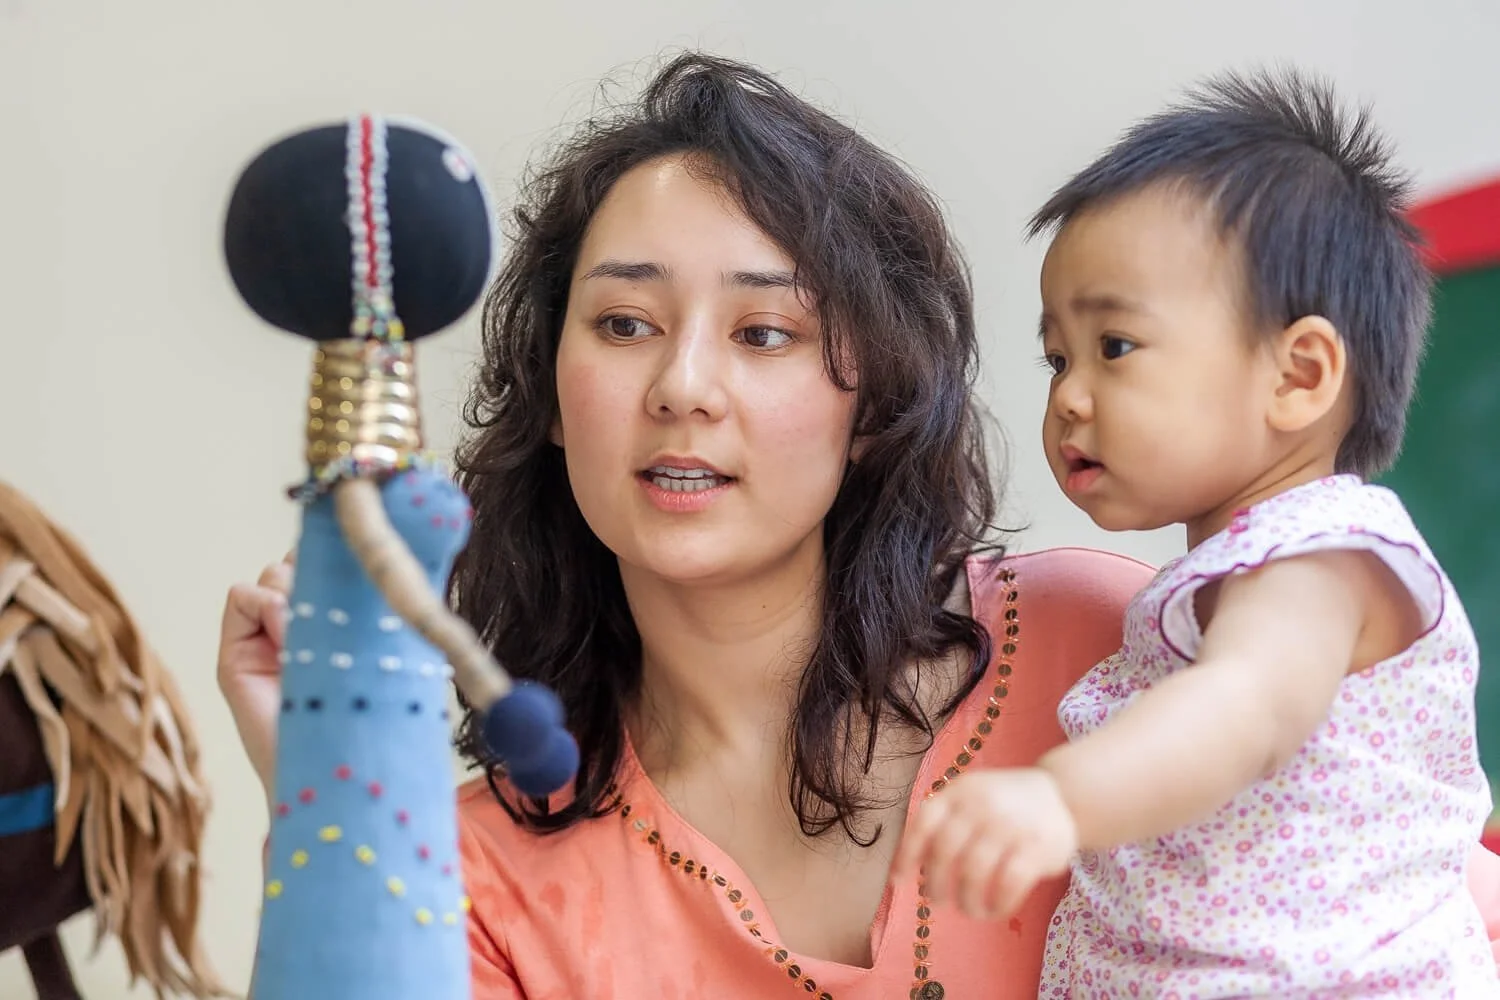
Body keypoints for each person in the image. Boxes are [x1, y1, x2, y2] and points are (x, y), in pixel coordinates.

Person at [217, 55, 1500, 998]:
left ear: (872, 401)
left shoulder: (1114, 648)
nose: (683, 386)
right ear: (555, 396)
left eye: (764, 331)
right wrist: (326, 773)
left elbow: (1431, 898)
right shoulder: (488, 870)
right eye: (622, 324)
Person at [893, 69, 1500, 996]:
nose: (1069, 396)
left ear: (1298, 376)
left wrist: (1061, 797)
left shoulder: (1320, 558)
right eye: (1057, 357)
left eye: (1116, 347)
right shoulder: (1240, 567)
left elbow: (1249, 705)